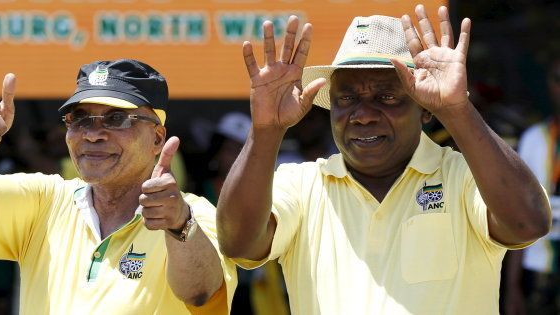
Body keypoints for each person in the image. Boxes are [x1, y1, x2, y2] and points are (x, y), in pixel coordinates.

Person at [216, 5, 551, 315]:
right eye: (346, 98)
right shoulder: (303, 186)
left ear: (423, 109)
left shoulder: (464, 178)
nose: (362, 116)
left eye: (386, 97)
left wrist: (457, 110)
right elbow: (239, 243)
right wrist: (265, 131)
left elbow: (528, 224)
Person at [0, 59, 237, 314]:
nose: (93, 135)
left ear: (157, 139)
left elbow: (200, 291)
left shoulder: (193, 214)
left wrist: (179, 225)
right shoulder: (46, 201)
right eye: (79, 119)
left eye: (117, 119)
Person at [504, 53, 560, 315]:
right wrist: (512, 286)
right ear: (549, 84)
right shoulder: (534, 138)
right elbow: (519, 215)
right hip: (538, 271)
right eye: (559, 79)